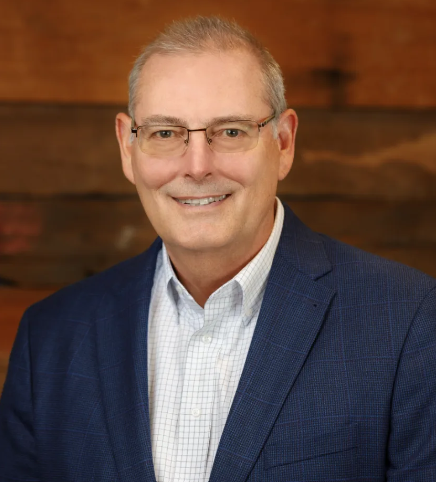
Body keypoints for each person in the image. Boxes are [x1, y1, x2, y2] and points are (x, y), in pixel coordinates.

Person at [1, 15, 435, 482]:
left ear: (284, 143)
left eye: (230, 131)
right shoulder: (50, 337)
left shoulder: (408, 321)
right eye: (165, 133)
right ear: (128, 148)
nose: (197, 166)